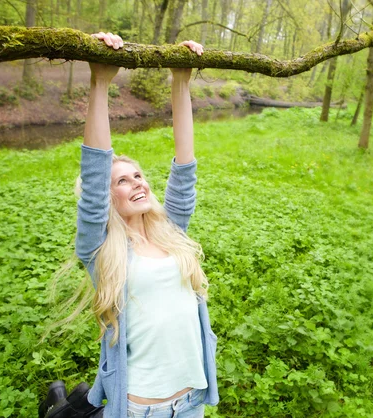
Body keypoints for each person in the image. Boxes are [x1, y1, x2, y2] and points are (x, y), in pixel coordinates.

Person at [40, 33, 218, 418]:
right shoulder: (102, 249)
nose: (138, 182)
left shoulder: (171, 232)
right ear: (107, 198)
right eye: (123, 180)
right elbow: (94, 171)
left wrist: (181, 82)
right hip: (142, 410)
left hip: (191, 404)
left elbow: (184, 169)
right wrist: (100, 81)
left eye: (138, 175)